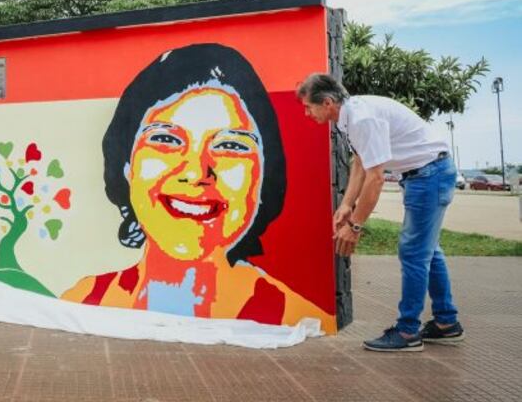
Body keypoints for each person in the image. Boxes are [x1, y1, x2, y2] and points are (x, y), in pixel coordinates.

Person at [63, 44, 333, 331]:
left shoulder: (298, 319)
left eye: (230, 146)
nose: (196, 173)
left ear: (263, 176)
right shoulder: (84, 298)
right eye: (165, 141)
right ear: (127, 167)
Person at [297, 73, 462, 352]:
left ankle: (408, 332)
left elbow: (375, 177)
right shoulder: (349, 116)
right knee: (427, 250)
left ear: (326, 103)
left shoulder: (362, 119)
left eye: (308, 107)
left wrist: (356, 226)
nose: (306, 113)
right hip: (423, 174)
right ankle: (447, 323)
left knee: (413, 252)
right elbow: (360, 162)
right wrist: (346, 205)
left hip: (429, 175)